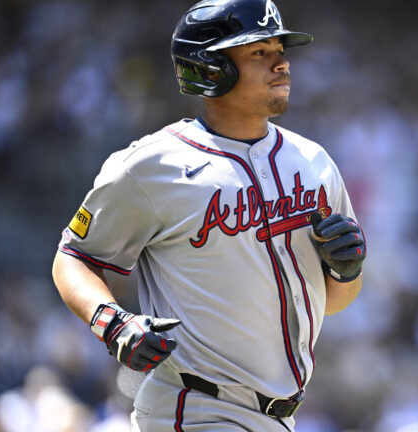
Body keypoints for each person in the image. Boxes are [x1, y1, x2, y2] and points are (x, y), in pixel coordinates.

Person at [51, 0, 367, 430]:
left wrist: (346, 272)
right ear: (212, 67)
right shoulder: (153, 165)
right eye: (260, 52)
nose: (282, 64)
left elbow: (332, 302)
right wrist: (112, 321)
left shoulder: (313, 162)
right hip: (196, 407)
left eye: (280, 49)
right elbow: (74, 257)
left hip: (280, 417)